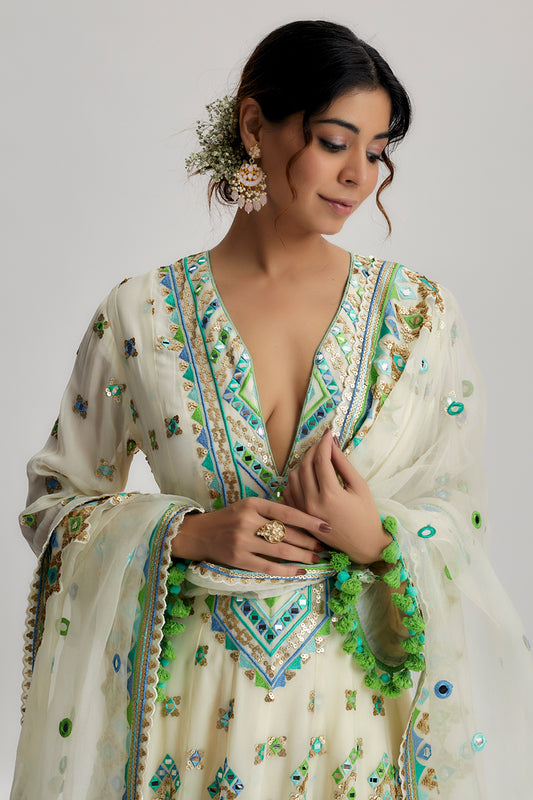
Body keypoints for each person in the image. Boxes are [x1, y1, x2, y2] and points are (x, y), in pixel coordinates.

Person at [10, 19, 532, 800]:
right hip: (187, 729)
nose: (359, 175)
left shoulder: (420, 316)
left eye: (377, 151)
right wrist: (183, 533)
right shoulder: (142, 312)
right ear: (255, 126)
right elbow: (56, 503)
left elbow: (460, 522)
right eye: (334, 141)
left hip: (356, 731)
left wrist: (376, 539)